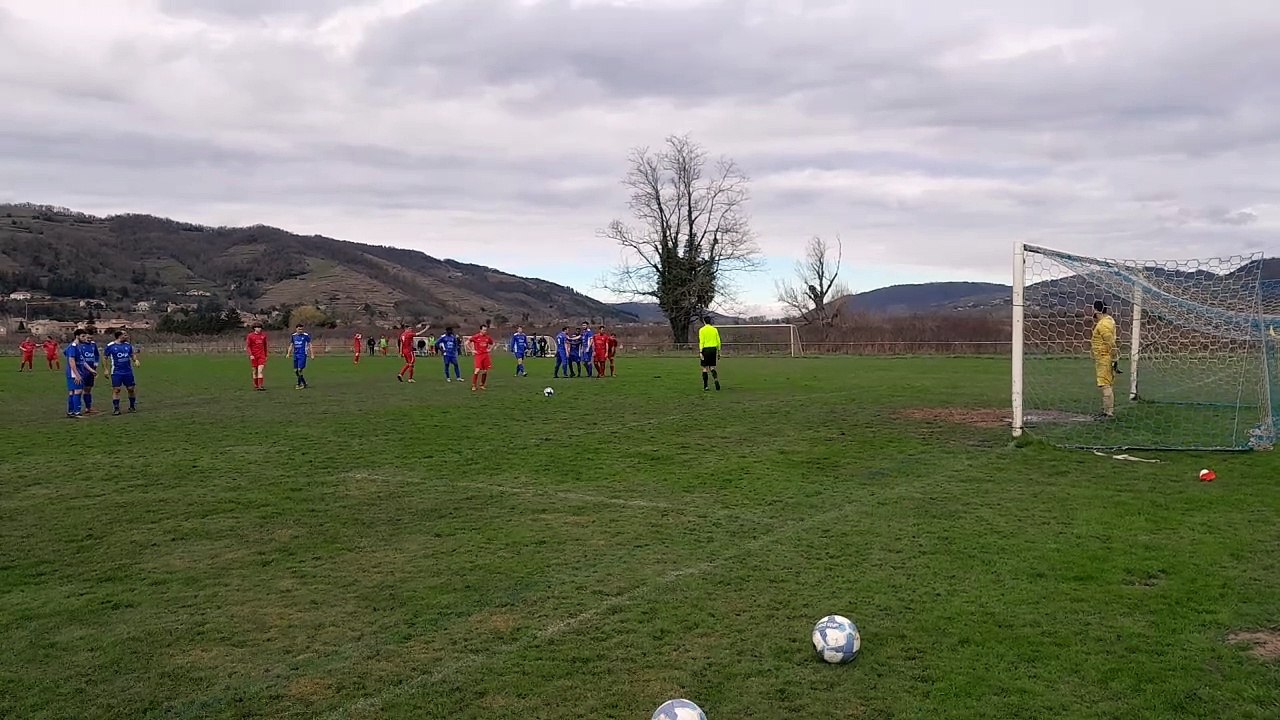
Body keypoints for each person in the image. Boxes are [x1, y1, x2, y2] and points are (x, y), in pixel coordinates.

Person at [1091, 299, 1119, 419]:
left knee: (1105, 384)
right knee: (1106, 384)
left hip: (1104, 358)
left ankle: (1108, 413)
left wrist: (1114, 358)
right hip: (1104, 357)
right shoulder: (1109, 321)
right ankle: (1107, 411)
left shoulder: (1103, 324)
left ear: (1096, 310)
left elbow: (1110, 342)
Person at [105, 329, 139, 415]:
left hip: (128, 371)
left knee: (131, 389)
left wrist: (135, 360)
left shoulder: (128, 345)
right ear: (120, 336)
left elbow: (132, 354)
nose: (126, 336)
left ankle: (132, 406)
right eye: (125, 335)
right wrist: (105, 369)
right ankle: (116, 409)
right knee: (116, 390)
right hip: (116, 372)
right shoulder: (110, 346)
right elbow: (105, 357)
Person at [63, 328, 89, 418]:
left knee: (72, 392)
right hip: (74, 373)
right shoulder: (73, 347)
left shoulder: (76, 347)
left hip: (73, 372)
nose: (85, 338)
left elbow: (65, 352)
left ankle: (71, 412)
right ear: (77, 336)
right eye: (83, 336)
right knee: (78, 391)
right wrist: (77, 375)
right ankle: (76, 412)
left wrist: (91, 370)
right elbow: (71, 361)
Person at [78, 331, 101, 414]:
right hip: (83, 370)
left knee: (88, 389)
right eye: (88, 338)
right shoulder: (80, 346)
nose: (89, 339)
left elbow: (97, 355)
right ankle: (77, 408)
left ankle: (88, 407)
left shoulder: (93, 344)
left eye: (91, 338)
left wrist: (96, 362)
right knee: (80, 389)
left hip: (92, 369)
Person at [698, 315, 722, 391]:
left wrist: (701, 351)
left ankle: (706, 386)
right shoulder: (714, 329)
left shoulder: (702, 330)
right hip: (713, 349)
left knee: (704, 368)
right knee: (712, 367)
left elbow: (701, 341)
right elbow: (718, 341)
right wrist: (719, 351)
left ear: (704, 321)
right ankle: (715, 379)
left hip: (705, 349)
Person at [287, 324, 314, 389]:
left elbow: (310, 345)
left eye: (301, 329)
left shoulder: (305, 336)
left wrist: (312, 354)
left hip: (302, 355)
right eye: (299, 329)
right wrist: (288, 353)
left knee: (299, 370)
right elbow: (291, 345)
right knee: (295, 370)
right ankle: (304, 383)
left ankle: (299, 384)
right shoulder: (293, 336)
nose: (300, 330)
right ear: (296, 329)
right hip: (295, 355)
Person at [469, 325, 495, 391]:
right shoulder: (476, 336)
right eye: (483, 330)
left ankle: (482, 385)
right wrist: (472, 350)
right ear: (480, 330)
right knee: (477, 370)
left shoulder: (487, 337)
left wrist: (490, 349)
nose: (485, 331)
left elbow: (493, 343)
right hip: (479, 355)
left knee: (485, 371)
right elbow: (467, 343)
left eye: (486, 330)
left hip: (485, 355)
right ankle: (474, 385)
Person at [246, 322, 269, 391]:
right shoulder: (250, 336)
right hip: (254, 356)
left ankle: (260, 386)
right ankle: (256, 385)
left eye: (260, 327)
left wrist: (266, 355)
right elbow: (248, 346)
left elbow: (265, 346)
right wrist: (250, 354)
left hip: (261, 356)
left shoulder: (263, 336)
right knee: (254, 371)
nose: (259, 329)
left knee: (260, 371)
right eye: (257, 327)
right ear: (254, 328)